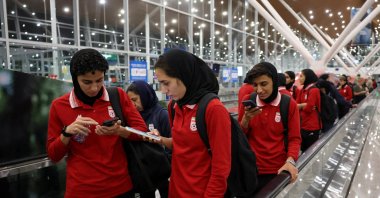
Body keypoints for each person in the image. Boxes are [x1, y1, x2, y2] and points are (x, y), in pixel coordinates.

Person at [46, 48, 148, 198]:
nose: (94, 88)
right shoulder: (59, 106)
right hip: (81, 191)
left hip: (121, 187)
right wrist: (67, 132)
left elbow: (142, 131)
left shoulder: (118, 96)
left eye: (99, 80)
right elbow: (53, 155)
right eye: (87, 82)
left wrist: (119, 131)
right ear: (75, 78)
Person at [150, 49, 232, 197]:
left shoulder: (213, 109)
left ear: (183, 75)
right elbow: (182, 145)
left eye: (166, 83)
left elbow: (221, 167)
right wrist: (160, 140)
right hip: (176, 190)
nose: (163, 90)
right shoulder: (174, 107)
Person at [238, 62, 301, 192]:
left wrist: (290, 161)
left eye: (264, 84)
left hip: (277, 171)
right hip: (250, 169)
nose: (259, 90)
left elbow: (294, 138)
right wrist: (246, 120)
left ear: (274, 81)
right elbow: (239, 136)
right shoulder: (248, 100)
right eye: (255, 85)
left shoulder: (288, 104)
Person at [126, 80, 171, 198]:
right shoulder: (132, 117)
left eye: (135, 100)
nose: (132, 105)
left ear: (145, 96)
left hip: (162, 172)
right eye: (129, 102)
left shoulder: (162, 115)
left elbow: (172, 144)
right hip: (142, 173)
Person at [297, 69, 321, 152]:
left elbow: (309, 108)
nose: (299, 78)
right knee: (303, 150)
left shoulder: (314, 90)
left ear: (308, 77)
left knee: (310, 151)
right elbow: (295, 105)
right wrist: (304, 105)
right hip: (302, 125)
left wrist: (302, 106)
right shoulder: (302, 90)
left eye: (301, 76)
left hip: (312, 126)